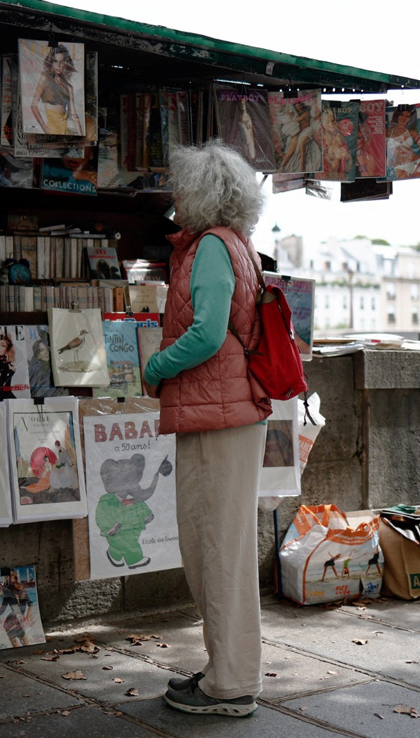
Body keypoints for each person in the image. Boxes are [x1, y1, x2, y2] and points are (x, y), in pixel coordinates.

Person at [142, 140, 271, 718]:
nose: (172, 198)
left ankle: (229, 686)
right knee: (226, 549)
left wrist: (155, 367)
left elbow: (207, 334)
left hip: (216, 412)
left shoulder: (212, 249)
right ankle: (230, 670)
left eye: (179, 187)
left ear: (200, 193)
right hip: (229, 410)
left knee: (213, 549)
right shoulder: (236, 245)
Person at [29, 43, 81, 136]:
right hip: (52, 128)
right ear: (51, 63)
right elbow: (33, 105)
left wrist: (81, 136)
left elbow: (74, 115)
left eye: (62, 62)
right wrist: (45, 128)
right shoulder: (45, 78)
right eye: (55, 61)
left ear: (66, 63)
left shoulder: (68, 87)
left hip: (66, 129)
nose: (58, 65)